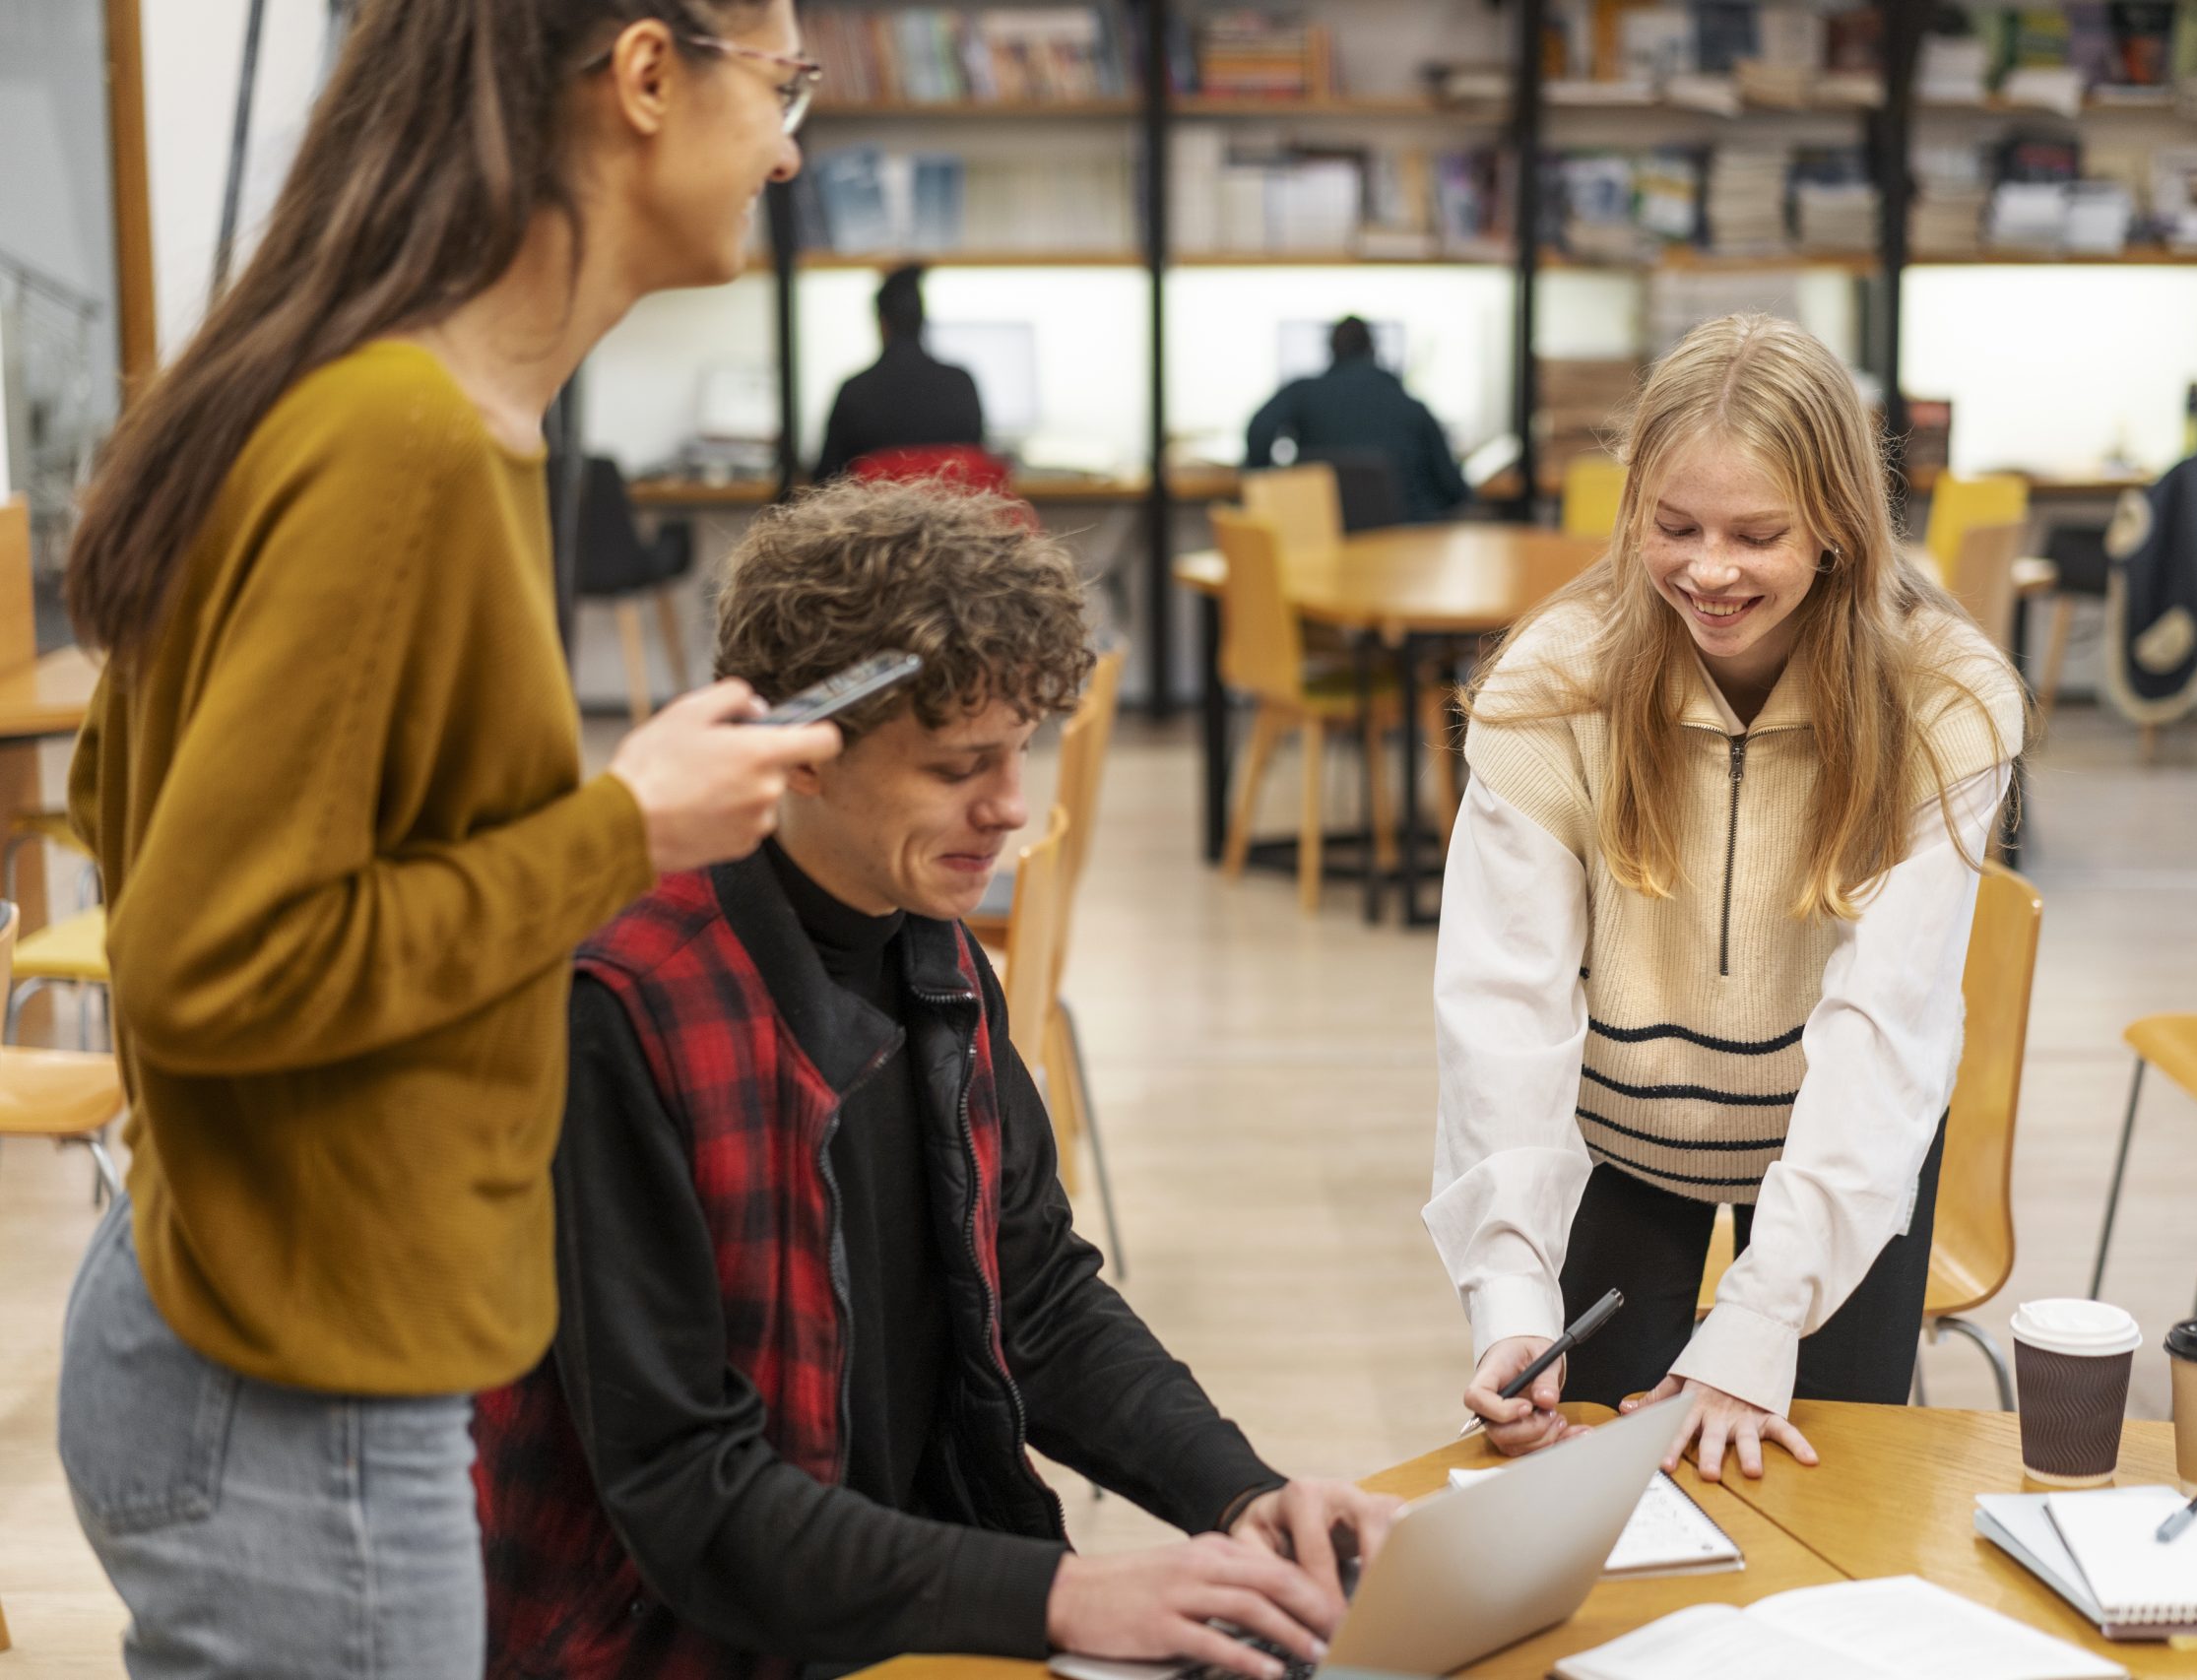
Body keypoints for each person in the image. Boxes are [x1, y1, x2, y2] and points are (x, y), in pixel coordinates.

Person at [54, 5, 842, 1675]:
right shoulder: (401, 437)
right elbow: (203, 959)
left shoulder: (406, 404)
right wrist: (621, 829)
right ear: (645, 75)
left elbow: (124, 800)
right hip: (295, 1381)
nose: (788, 148)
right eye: (782, 84)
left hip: (277, 1320)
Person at [475, 479, 1399, 1679]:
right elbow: (687, 1493)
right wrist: (1064, 1595)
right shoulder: (625, 1001)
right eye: (959, 765)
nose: (1010, 808)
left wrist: (1239, 1493)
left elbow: (1037, 1294)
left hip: (894, 1591)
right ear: (800, 758)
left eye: (1018, 753)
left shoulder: (928, 935)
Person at [1423, 314, 2025, 1486]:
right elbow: (1503, 1007)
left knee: (1819, 1487)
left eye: (1757, 534)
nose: (1708, 569)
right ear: (1630, 507)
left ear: (1840, 530)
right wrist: (1507, 1288)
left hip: (1832, 1143)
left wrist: (1759, 1321)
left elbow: (1882, 1027)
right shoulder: (1551, 685)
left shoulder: (1945, 699)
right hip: (1623, 1138)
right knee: (1586, 1480)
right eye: (1674, 526)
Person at [1243, 317, 1472, 523]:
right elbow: (1452, 487)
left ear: (1330, 351)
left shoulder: (1303, 393)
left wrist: (1265, 481)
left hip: (1324, 536)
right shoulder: (1409, 404)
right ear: (1373, 350)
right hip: (1405, 543)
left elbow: (1259, 428)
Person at [813, 264, 987, 481]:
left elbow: (825, 482)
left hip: (876, 516)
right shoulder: (962, 385)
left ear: (882, 323)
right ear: (923, 321)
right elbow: (978, 474)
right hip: (949, 515)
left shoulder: (855, 391)